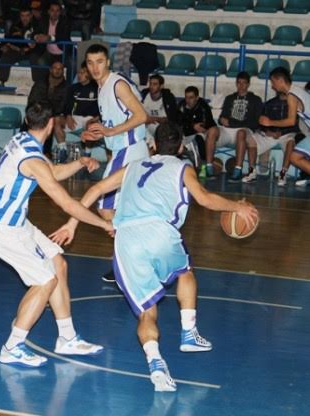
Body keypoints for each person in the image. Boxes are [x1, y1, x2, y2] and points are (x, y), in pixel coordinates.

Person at [51, 121, 258, 391]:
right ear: (181, 147)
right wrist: (237, 206)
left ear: (153, 145)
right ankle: (188, 332)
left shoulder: (133, 166)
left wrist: (71, 224)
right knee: (184, 272)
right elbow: (205, 199)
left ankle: (156, 362)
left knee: (146, 313)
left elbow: (96, 190)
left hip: (126, 239)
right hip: (160, 233)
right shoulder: (183, 167)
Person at [0, 101, 111, 367]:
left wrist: (81, 162)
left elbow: (52, 172)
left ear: (29, 121)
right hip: (0, 228)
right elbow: (67, 204)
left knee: (58, 264)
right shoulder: (33, 158)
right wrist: (104, 224)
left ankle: (67, 338)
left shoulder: (22, 140)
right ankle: (12, 346)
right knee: (44, 281)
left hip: (14, 223)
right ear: (51, 124)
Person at [82, 43, 148, 283]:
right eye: (90, 63)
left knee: (105, 208)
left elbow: (141, 115)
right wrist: (97, 133)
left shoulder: (117, 84)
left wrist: (110, 131)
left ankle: (125, 261)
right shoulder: (102, 87)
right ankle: (132, 259)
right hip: (125, 150)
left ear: (107, 62)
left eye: (99, 61)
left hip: (129, 150)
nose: (95, 67)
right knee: (122, 211)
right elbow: (115, 121)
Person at [259, 67, 310, 185]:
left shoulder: (292, 95)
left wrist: (269, 122)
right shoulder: (297, 90)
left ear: (280, 80)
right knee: (295, 156)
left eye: (273, 81)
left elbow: (291, 121)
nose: (272, 86)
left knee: (295, 157)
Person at [234, 91, 297, 185]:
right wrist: (269, 131)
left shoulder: (294, 104)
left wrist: (282, 132)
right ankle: (252, 172)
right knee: (252, 140)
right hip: (270, 134)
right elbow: (261, 122)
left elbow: (295, 125)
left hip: (286, 134)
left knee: (291, 142)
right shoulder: (270, 103)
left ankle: (283, 173)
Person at [209, 72, 263, 181]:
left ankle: (238, 169)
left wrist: (232, 123)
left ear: (248, 84)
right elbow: (221, 117)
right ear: (236, 84)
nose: (241, 85)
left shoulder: (256, 100)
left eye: (244, 83)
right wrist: (221, 120)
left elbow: (254, 122)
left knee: (241, 133)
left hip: (244, 131)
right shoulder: (229, 98)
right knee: (212, 130)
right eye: (239, 83)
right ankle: (209, 166)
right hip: (227, 131)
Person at [28, 61, 68, 160]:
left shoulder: (66, 87)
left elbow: (63, 105)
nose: (57, 71)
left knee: (50, 123)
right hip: (37, 113)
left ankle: (46, 154)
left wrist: (49, 113)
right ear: (50, 69)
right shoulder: (41, 82)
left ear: (63, 71)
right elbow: (33, 99)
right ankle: (26, 152)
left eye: (60, 69)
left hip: (52, 115)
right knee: (27, 124)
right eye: (55, 68)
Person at [0, 7, 40, 88]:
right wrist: (7, 46)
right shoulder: (15, 25)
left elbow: (40, 44)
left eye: (27, 15)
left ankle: (38, 84)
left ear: (31, 15)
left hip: (31, 52)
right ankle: (1, 81)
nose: (25, 18)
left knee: (35, 57)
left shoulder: (37, 26)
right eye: (22, 16)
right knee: (6, 55)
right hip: (16, 50)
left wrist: (29, 49)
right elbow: (8, 39)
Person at [177, 86, 218, 172]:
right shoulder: (181, 105)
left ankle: (204, 164)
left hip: (203, 133)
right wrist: (192, 126)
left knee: (198, 139)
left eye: (191, 97)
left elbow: (202, 127)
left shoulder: (203, 106)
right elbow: (177, 122)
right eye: (186, 97)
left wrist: (188, 126)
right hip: (186, 134)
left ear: (197, 97)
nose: (188, 100)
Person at [140, 74, 178, 151]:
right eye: (150, 84)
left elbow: (171, 119)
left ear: (161, 86)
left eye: (155, 84)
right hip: (145, 125)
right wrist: (152, 119)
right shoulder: (144, 95)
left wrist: (152, 119)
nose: (151, 86)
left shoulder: (168, 98)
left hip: (162, 128)